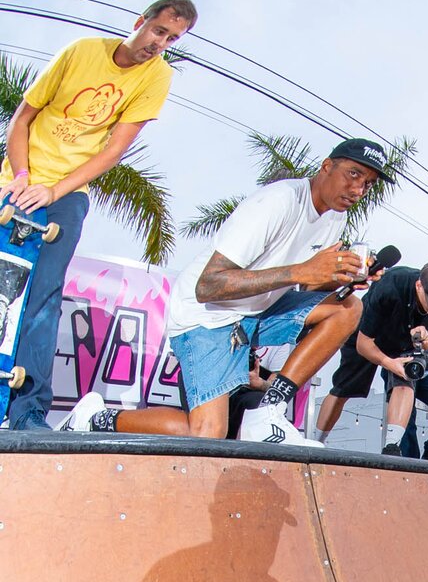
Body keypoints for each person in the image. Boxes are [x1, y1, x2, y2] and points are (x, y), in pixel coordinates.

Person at [58, 139, 391, 445]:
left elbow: (303, 284)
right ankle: (95, 417)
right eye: (353, 174)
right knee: (206, 433)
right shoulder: (277, 202)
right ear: (326, 166)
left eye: (367, 183)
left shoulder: (334, 216)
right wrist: (304, 271)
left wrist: (339, 280)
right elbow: (209, 286)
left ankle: (268, 412)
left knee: (347, 308)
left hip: (256, 313)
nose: (358, 188)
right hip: (207, 316)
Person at [0, 0, 198, 430]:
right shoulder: (81, 52)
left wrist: (55, 189)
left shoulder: (157, 77)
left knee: (44, 299)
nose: (159, 43)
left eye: (172, 39)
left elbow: (113, 151)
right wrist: (21, 175)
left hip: (67, 192)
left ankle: (27, 414)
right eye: (158, 31)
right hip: (16, 183)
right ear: (139, 21)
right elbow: (22, 119)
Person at [313, 262, 428, 459]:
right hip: (368, 334)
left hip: (402, 345)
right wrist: (388, 363)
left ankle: (392, 447)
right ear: (419, 285)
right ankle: (316, 442)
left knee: (407, 378)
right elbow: (363, 344)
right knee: (343, 389)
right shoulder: (391, 286)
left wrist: (426, 341)